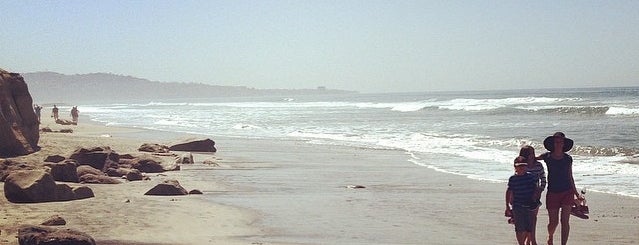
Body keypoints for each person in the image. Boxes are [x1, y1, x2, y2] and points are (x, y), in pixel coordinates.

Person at [539, 132, 581, 245]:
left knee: (565, 221)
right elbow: (533, 159)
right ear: (553, 143)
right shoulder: (547, 156)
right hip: (553, 192)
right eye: (556, 141)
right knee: (553, 222)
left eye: (560, 141)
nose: (558, 143)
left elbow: (570, 176)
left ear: (563, 144)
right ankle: (550, 235)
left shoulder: (568, 158)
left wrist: (576, 194)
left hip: (567, 191)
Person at [505, 156, 538, 245]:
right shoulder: (513, 179)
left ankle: (528, 241)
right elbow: (509, 191)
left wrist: (534, 198)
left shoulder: (531, 177)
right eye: (519, 166)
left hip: (529, 206)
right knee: (519, 228)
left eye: (523, 166)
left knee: (529, 228)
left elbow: (535, 188)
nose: (522, 168)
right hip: (517, 206)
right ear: (515, 167)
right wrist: (507, 206)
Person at [519, 145, 546, 245]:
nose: (532, 155)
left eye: (533, 153)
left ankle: (531, 241)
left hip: (535, 196)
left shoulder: (538, 165)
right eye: (530, 153)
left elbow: (543, 179)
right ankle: (527, 241)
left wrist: (540, 190)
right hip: (523, 196)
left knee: (533, 219)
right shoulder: (522, 166)